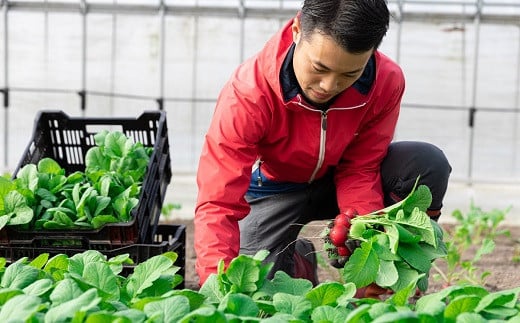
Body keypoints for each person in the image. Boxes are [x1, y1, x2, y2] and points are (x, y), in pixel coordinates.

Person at [194, 0, 452, 297]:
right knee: (255, 287)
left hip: (341, 179)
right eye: (319, 68)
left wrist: (366, 239)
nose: (329, 85)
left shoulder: (386, 81)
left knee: (424, 164)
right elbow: (218, 200)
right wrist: (216, 289)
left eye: (349, 74)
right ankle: (300, 261)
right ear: (297, 29)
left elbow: (361, 166)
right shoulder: (249, 92)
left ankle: (399, 280)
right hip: (277, 186)